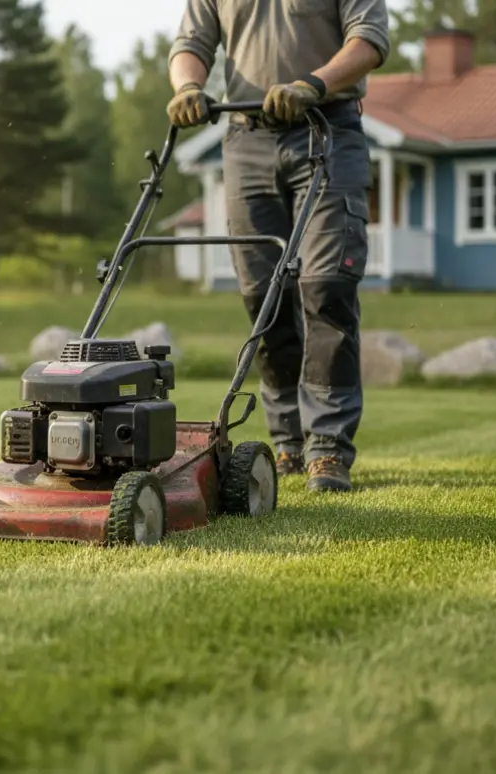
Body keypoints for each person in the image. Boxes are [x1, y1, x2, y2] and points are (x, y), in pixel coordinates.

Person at [166, 0, 389, 493]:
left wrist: (313, 82)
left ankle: (327, 447)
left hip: (327, 129)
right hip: (246, 140)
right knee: (262, 295)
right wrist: (187, 87)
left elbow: (369, 41)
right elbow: (191, 46)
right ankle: (286, 437)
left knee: (327, 286)